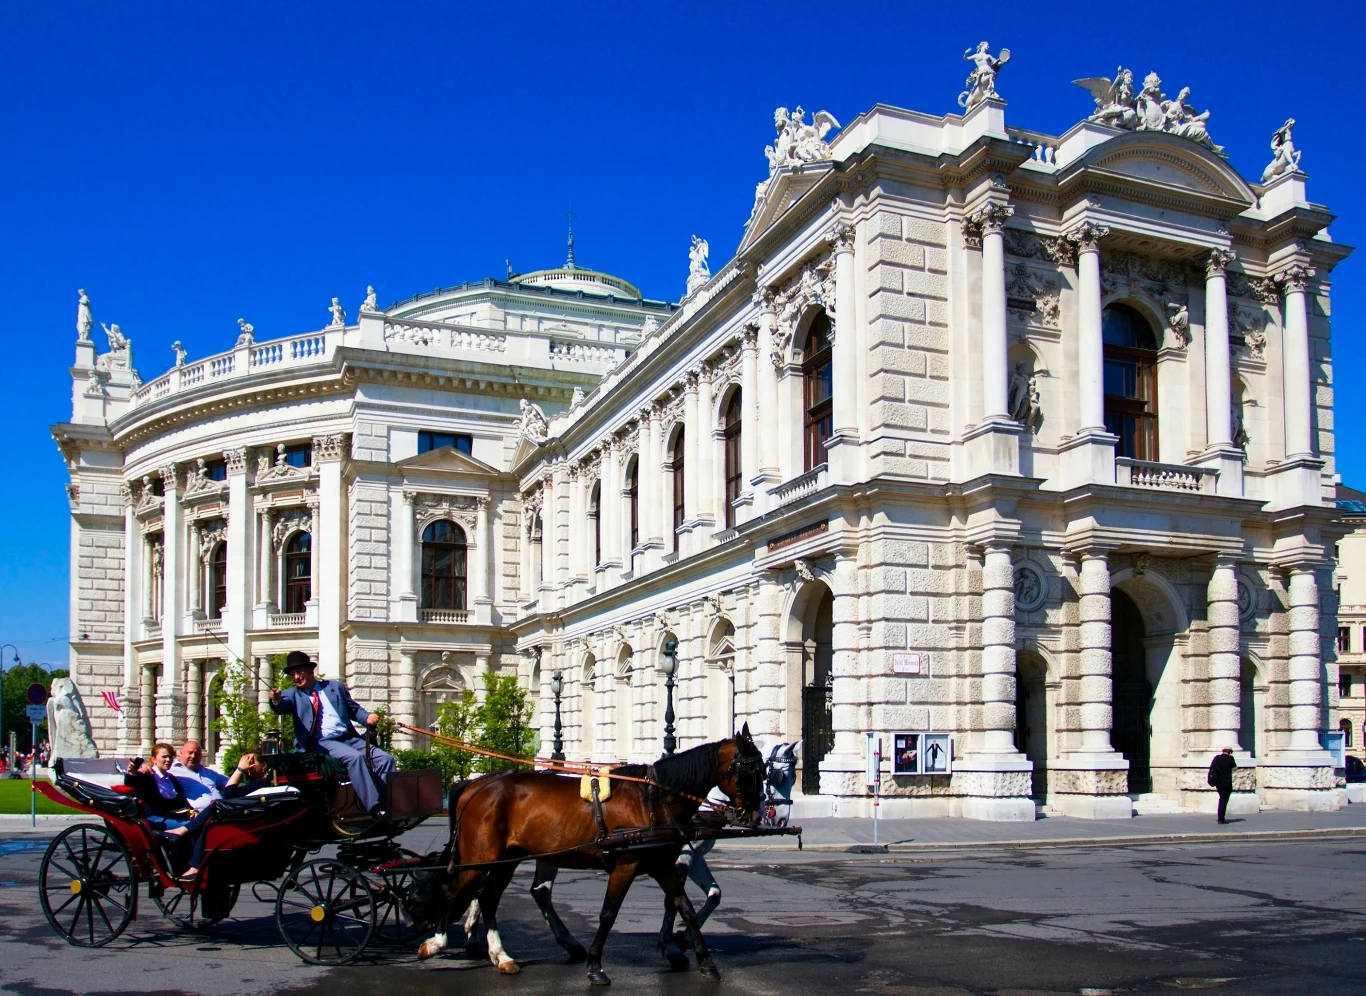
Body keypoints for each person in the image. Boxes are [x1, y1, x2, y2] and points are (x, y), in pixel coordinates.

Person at [269, 650, 396, 815]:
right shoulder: (291, 695)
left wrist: (367, 717)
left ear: (310, 670)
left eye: (299, 672)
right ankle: (374, 808)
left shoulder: (334, 687)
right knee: (355, 758)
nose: (296, 677)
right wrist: (276, 699)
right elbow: (280, 707)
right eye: (292, 674)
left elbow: (354, 709)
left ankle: (390, 805)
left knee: (386, 759)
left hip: (348, 738)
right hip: (321, 742)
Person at [166, 751, 272, 882]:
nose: (248, 766)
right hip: (252, 815)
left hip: (246, 818)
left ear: (264, 766)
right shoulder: (265, 782)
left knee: (214, 812)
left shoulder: (262, 782)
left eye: (251, 762)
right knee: (215, 808)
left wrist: (240, 769)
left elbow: (229, 792)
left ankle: (195, 864)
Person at [124, 743, 196, 829]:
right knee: (192, 827)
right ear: (154, 759)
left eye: (170, 757)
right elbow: (131, 782)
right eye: (164, 757)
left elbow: (182, 801)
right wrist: (131, 773)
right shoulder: (146, 775)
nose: (168, 760)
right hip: (153, 819)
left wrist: (192, 812)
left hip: (172, 818)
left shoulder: (172, 778)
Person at [170, 739, 228, 811]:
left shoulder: (208, 772)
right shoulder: (172, 771)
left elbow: (229, 784)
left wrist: (240, 770)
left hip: (221, 811)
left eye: (197, 754)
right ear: (181, 753)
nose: (193, 756)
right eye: (190, 753)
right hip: (197, 815)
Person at [1208, 746, 1237, 823]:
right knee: (1224, 800)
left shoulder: (1217, 757)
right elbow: (1235, 768)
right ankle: (1221, 818)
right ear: (1230, 752)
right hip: (1226, 782)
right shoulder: (1230, 758)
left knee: (1221, 799)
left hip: (1218, 782)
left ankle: (1220, 817)